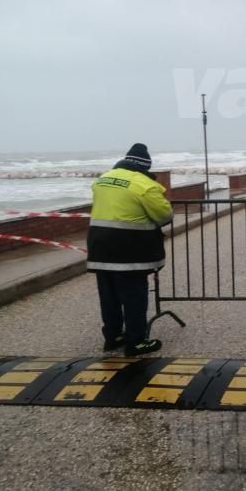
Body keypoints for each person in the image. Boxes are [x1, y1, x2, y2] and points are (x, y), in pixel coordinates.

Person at [86, 143, 173, 355]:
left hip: (99, 247)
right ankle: (136, 342)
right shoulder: (144, 185)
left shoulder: (102, 179)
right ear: (145, 166)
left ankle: (113, 336)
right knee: (134, 296)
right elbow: (165, 215)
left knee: (109, 295)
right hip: (129, 250)